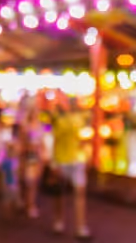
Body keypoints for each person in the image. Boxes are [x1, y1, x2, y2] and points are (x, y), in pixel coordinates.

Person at [48, 94, 91, 240]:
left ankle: (80, 227)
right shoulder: (58, 120)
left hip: (76, 160)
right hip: (62, 160)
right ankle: (59, 221)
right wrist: (53, 163)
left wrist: (86, 156)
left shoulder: (80, 120)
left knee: (79, 194)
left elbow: (83, 141)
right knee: (60, 194)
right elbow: (54, 141)